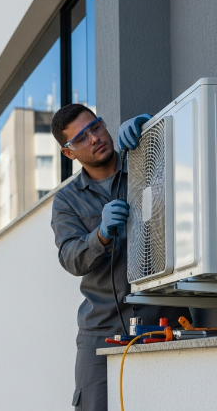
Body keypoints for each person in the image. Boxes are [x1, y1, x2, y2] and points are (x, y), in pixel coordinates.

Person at [50, 104, 188, 411]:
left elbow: (192, 167)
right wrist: (100, 234)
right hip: (102, 329)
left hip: (166, 318)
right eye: (82, 138)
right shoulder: (67, 201)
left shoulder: (147, 164)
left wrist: (153, 130)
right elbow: (71, 258)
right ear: (69, 153)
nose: (95, 138)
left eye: (96, 127)